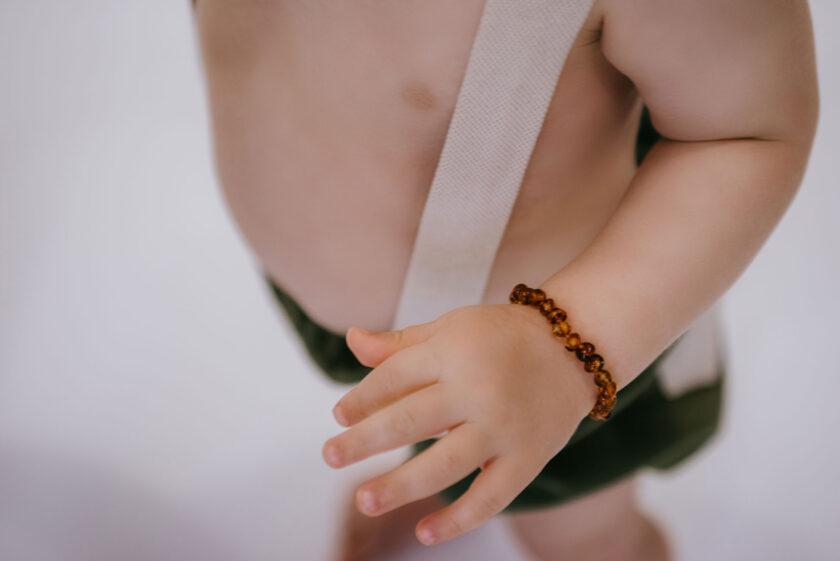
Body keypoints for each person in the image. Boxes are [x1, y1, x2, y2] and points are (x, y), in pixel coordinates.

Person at [191, 1, 819, 560]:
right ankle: (447, 472)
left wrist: (560, 349)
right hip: (358, 325)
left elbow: (747, 131)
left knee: (583, 541)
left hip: (553, 363)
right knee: (434, 428)